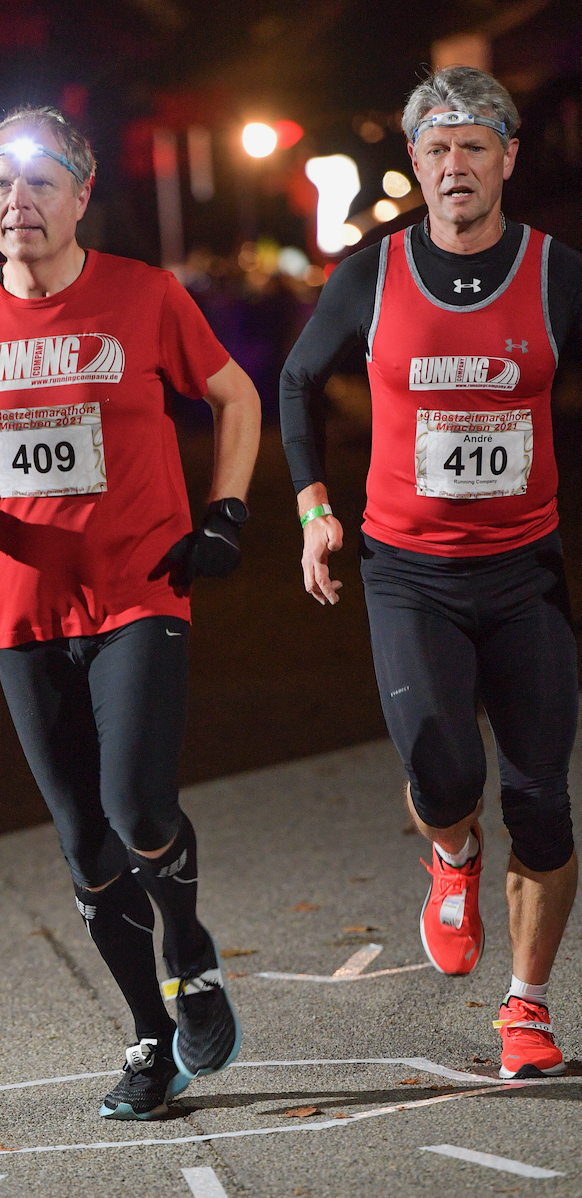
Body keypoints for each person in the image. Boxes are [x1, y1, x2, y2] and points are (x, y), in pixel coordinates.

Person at [0, 106, 260, 1119]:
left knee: (136, 807)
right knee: (84, 843)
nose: (18, 202)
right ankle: (150, 1033)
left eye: (41, 182)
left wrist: (224, 509)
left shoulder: (142, 294)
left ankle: (188, 946)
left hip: (139, 588)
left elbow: (234, 396)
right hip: (20, 611)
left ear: (82, 194)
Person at [280, 67, 582, 1080]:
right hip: (407, 572)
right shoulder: (371, 275)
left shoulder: (556, 273)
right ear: (414, 163)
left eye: (473, 145)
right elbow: (295, 378)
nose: (454, 165)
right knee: (447, 772)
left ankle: (526, 1005)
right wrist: (313, 506)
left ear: (505, 157)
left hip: (524, 572)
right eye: (436, 149)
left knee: (541, 798)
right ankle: (449, 854)